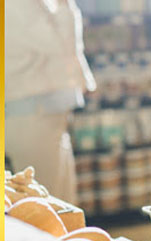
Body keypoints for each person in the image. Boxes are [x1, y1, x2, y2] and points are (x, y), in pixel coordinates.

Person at [5, 0, 95, 203]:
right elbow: (62, 44)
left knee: (61, 203)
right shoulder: (17, 4)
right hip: (32, 118)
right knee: (46, 206)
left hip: (42, 115)